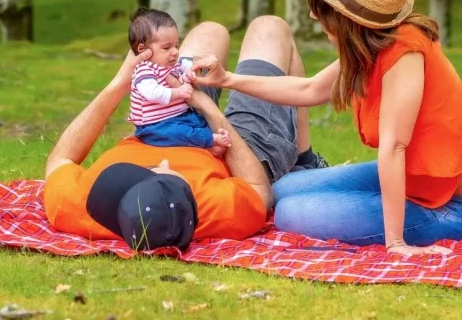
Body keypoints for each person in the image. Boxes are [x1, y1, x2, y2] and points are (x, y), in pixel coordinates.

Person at [187, 0, 462, 256]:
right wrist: (226, 79)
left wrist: (397, 243)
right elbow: (308, 90)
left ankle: (395, 231)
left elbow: (394, 146)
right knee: (279, 191)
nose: (311, 13)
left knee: (289, 213)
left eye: (321, 8)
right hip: (415, 183)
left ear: (344, 17)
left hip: (455, 206)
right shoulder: (373, 44)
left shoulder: (405, 51)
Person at [43, 19, 327, 250]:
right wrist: (207, 108)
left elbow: (60, 159)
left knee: (210, 31)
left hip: (160, 127)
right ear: (187, 198)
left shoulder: (81, 206)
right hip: (233, 151)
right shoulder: (215, 210)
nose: (164, 164)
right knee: (270, 29)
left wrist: (121, 82)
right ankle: (304, 160)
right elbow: (257, 188)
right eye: (164, 176)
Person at [126, 8, 231, 157]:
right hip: (156, 126)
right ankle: (210, 140)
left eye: (176, 45)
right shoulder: (145, 71)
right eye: (167, 47)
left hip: (180, 115)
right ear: (143, 50)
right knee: (177, 133)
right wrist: (179, 92)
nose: (175, 52)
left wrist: (190, 71)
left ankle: (212, 139)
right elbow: (153, 93)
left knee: (198, 120)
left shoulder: (170, 62)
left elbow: (185, 63)